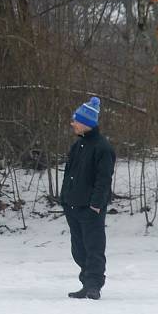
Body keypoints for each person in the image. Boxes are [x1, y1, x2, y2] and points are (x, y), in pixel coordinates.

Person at [60, 97, 115, 300]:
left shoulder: (103, 148)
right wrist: (64, 199)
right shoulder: (77, 146)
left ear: (86, 123)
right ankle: (86, 283)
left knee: (94, 247)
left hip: (90, 209)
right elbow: (69, 174)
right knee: (78, 249)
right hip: (72, 206)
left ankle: (94, 286)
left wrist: (95, 205)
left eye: (76, 120)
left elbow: (104, 179)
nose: (72, 123)